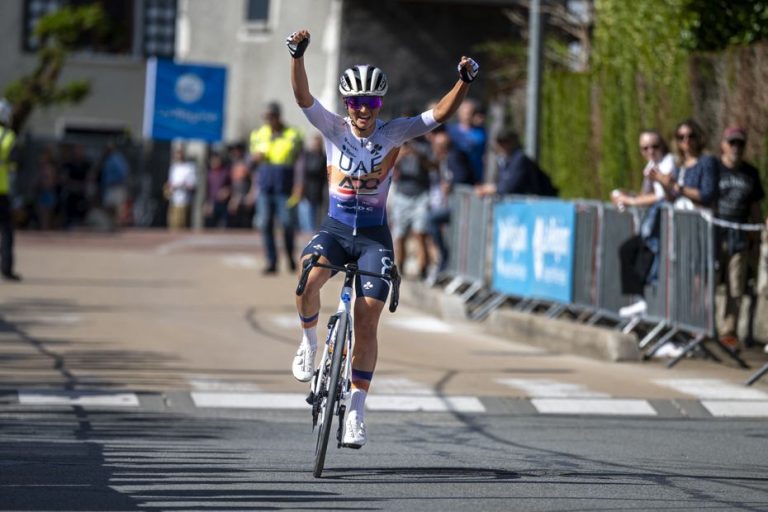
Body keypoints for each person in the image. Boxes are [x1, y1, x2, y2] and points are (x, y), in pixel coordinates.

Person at [286, 28, 478, 447]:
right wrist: (297, 56)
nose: (363, 110)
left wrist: (462, 82)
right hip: (336, 229)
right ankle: (309, 341)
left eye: (370, 103)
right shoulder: (332, 128)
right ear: (346, 104)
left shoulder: (393, 134)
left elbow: (439, 116)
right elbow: (302, 98)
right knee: (307, 279)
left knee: (368, 317)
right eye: (356, 102)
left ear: (380, 105)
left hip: (373, 236)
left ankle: (356, 408)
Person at [613, 130, 676, 317]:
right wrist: (622, 195)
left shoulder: (669, 163)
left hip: (665, 220)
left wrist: (632, 201)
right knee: (628, 250)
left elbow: (662, 195)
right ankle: (642, 300)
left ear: (662, 146)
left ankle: (651, 305)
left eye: (655, 147)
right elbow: (644, 194)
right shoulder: (651, 165)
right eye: (645, 148)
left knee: (649, 256)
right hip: (654, 220)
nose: (650, 151)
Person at [713, 126, 765, 351]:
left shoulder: (750, 173)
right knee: (712, 280)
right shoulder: (714, 169)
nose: (736, 147)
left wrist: (756, 234)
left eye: (740, 144)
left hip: (740, 235)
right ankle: (706, 326)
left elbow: (755, 206)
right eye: (732, 143)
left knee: (736, 284)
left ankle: (728, 331)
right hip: (715, 233)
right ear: (723, 145)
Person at [250, 101, 303, 274]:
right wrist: (253, 160)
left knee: (287, 224)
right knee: (265, 224)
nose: (268, 120)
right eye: (266, 117)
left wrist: (299, 184)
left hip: (284, 188)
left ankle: (289, 256)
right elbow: (250, 163)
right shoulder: (258, 134)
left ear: (279, 116)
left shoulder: (293, 134)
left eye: (271, 116)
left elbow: (300, 163)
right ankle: (272, 261)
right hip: (265, 188)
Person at [427, 130, 476, 276]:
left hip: (462, 204)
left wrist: (450, 184)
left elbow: (462, 176)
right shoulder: (443, 159)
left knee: (431, 219)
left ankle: (446, 257)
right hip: (449, 202)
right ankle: (445, 262)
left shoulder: (454, 157)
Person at [649, 119, 719, 210]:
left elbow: (706, 194)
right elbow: (672, 199)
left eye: (691, 136)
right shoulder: (679, 165)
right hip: (682, 218)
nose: (686, 140)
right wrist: (664, 183)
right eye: (681, 137)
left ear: (698, 137)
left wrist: (677, 186)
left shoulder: (707, 161)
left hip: (701, 218)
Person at [390, 132, 432, 279]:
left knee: (420, 233)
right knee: (400, 234)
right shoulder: (398, 147)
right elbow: (388, 167)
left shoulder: (425, 147)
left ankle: (423, 269)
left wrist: (418, 155)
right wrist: (401, 155)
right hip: (402, 196)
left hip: (421, 196)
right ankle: (399, 266)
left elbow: (432, 166)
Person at [476, 129, 555, 197]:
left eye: (505, 142)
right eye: (500, 143)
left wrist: (491, 189)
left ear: (513, 142)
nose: (502, 146)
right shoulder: (503, 160)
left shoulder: (520, 159)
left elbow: (509, 187)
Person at [0, 98, 21, 281]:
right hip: (2, 190)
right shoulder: (8, 136)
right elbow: (15, 166)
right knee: (6, 231)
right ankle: (6, 268)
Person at [446, 99, 486, 183]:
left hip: (475, 176)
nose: (467, 116)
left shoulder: (481, 133)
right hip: (455, 175)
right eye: (465, 113)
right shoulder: (450, 131)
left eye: (470, 113)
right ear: (458, 113)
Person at [293, 133, 327, 233]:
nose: (314, 146)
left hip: (316, 192)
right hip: (304, 191)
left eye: (317, 144)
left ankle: (310, 239)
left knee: (312, 221)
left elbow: (314, 169)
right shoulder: (305, 156)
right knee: (304, 219)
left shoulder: (322, 158)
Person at [98, 142, 130, 229]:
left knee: (116, 208)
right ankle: (113, 225)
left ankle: (118, 226)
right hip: (109, 187)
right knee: (109, 207)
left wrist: (117, 181)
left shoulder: (115, 158)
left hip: (116, 187)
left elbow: (123, 172)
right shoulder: (107, 159)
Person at [165, 147, 197, 230]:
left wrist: (182, 186)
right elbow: (170, 183)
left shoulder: (189, 168)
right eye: (177, 156)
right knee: (173, 224)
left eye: (180, 156)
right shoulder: (173, 168)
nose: (178, 158)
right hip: (174, 200)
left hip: (185, 200)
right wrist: (169, 189)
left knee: (184, 225)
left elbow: (192, 184)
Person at [226, 143, 254, 229]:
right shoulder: (233, 163)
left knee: (246, 223)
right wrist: (233, 197)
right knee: (233, 222)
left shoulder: (248, 163)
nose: (235, 152)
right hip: (235, 197)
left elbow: (254, 180)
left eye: (237, 150)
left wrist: (251, 194)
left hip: (245, 196)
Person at [204, 151, 231, 229]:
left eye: (217, 160)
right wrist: (207, 203)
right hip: (212, 203)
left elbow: (231, 186)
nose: (215, 162)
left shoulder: (225, 172)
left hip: (224, 203)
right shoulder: (208, 174)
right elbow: (206, 190)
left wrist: (227, 191)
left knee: (224, 226)